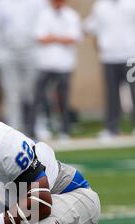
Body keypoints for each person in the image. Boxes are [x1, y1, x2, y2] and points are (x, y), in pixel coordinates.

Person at [0, 0, 48, 135]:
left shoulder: (38, 2)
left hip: (32, 52)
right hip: (7, 53)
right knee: (12, 93)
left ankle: (38, 126)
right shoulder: (0, 3)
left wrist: (41, 51)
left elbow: (45, 24)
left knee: (34, 92)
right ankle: (14, 129)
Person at [84, 0, 135, 141]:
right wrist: (100, 46)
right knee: (111, 93)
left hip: (131, 57)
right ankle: (112, 128)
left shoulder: (131, 4)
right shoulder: (100, 6)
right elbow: (89, 27)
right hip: (109, 58)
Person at [32, 0, 82, 142]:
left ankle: (64, 129)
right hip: (45, 64)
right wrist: (60, 38)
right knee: (38, 97)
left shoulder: (71, 16)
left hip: (65, 64)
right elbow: (40, 37)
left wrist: (53, 37)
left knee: (63, 98)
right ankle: (35, 128)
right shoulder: (43, 15)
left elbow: (73, 38)